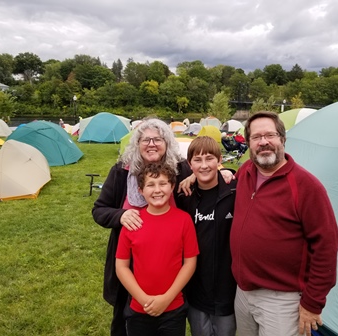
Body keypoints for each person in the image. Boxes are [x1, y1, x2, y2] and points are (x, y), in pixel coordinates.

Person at [230, 111, 338, 336]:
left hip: (281, 300)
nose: (264, 142)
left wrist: (312, 304)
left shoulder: (307, 186)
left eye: (270, 135)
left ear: (282, 139)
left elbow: (326, 247)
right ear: (248, 143)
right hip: (242, 292)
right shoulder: (245, 173)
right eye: (256, 137)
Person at [92, 117, 192, 336]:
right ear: (137, 144)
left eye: (158, 139)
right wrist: (120, 215)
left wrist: (227, 173)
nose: (152, 144)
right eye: (145, 139)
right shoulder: (121, 171)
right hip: (129, 262)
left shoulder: (180, 168)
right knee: (124, 323)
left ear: (167, 143)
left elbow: (206, 176)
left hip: (170, 263)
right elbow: (99, 210)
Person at [116, 163, 199, 336]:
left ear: (172, 186)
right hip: (139, 309)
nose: (157, 190)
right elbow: (121, 267)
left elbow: (190, 263)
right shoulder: (132, 222)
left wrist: (167, 298)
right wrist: (143, 299)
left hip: (173, 309)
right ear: (140, 190)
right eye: (150, 185)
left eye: (163, 183)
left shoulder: (184, 220)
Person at [176, 136, 237, 336]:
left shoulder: (234, 191)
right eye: (197, 160)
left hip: (227, 289)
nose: (204, 165)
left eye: (209, 159)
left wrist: (230, 172)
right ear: (189, 164)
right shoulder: (184, 196)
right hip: (196, 289)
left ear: (220, 161)